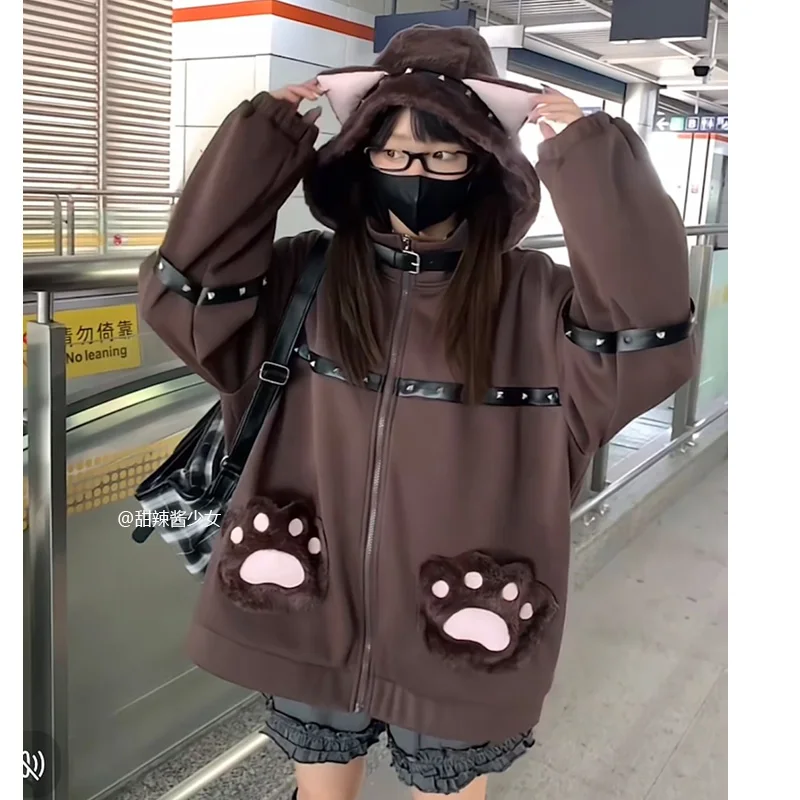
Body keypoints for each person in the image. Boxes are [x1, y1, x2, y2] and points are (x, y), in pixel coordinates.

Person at [139, 24, 696, 800]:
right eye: (393, 152)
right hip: (307, 599)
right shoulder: (303, 277)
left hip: (466, 619)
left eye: (443, 155)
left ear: (484, 164)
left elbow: (647, 335)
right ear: (360, 158)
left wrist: (593, 156)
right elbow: (185, 300)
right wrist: (260, 143)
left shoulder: (536, 299)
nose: (416, 173)